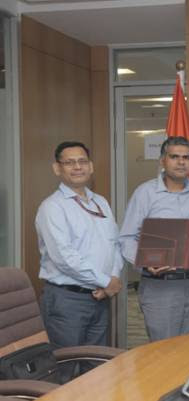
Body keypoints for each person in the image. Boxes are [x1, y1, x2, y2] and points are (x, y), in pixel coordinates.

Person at [119, 136, 189, 341]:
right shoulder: (145, 193)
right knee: (163, 350)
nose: (181, 162)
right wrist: (145, 263)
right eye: (174, 157)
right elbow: (127, 238)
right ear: (162, 161)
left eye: (186, 157)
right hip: (161, 286)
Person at [36, 141, 122, 347]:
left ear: (90, 166)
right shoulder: (52, 207)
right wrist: (105, 281)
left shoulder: (100, 202)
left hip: (100, 297)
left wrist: (113, 279)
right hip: (67, 300)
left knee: (96, 361)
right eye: (69, 162)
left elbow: (114, 244)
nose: (77, 167)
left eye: (82, 161)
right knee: (66, 362)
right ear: (57, 168)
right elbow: (64, 257)